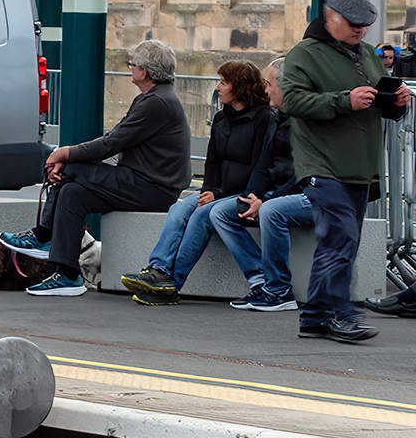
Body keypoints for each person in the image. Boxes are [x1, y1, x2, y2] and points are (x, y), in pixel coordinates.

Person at [0, 37, 190, 294]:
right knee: (72, 193)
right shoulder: (154, 98)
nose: (130, 69)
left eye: (132, 65)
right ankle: (67, 274)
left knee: (69, 169)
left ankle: (43, 235)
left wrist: (62, 155)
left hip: (152, 188)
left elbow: (111, 144)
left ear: (144, 72)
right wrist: (66, 158)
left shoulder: (156, 103)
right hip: (142, 182)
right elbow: (112, 140)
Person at [277, 0, 405, 343]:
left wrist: (396, 102)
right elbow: (294, 101)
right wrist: (343, 101)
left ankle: (314, 317)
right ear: (330, 17)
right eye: (353, 23)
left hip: (358, 165)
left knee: (339, 240)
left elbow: (376, 102)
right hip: (321, 163)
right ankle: (342, 313)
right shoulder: (304, 53)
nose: (360, 29)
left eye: (365, 23)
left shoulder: (367, 53)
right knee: (342, 236)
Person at [121, 59, 291, 303]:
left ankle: (172, 283)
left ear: (239, 86)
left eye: (223, 82)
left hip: (242, 192)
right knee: (180, 207)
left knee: (202, 215)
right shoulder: (221, 119)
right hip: (219, 191)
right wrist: (209, 190)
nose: (218, 87)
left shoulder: (264, 118)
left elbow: (257, 168)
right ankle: (158, 269)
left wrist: (218, 195)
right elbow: (212, 162)